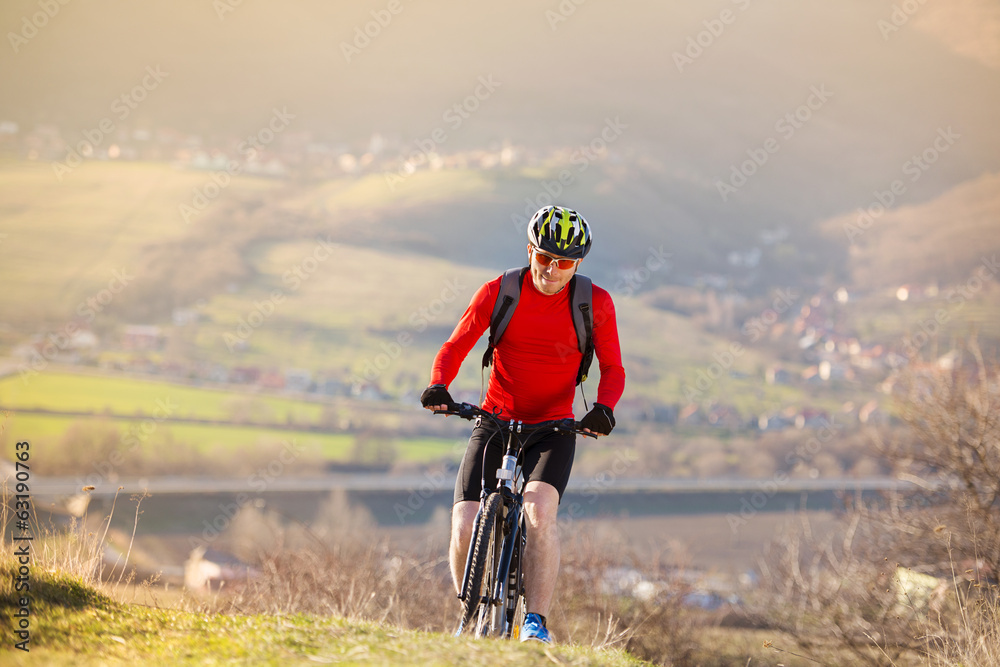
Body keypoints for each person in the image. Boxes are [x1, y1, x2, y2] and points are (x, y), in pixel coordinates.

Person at [420, 205, 626, 643]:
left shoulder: (594, 303)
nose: (552, 269)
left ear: (578, 265)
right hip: (495, 420)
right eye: (544, 257)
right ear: (529, 250)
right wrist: (439, 385)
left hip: (553, 428)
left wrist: (604, 408)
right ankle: (469, 611)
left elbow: (613, 369)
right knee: (464, 522)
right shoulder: (500, 291)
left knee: (538, 511)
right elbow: (455, 346)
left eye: (564, 262)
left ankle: (536, 622)